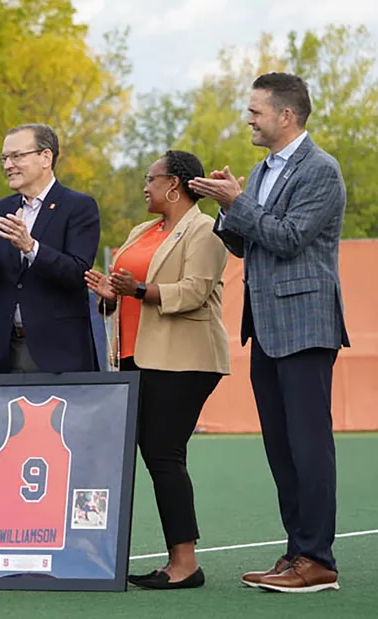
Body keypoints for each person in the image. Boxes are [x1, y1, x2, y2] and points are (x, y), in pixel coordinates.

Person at [190, 72, 349, 593]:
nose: (249, 119)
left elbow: (289, 237)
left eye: (256, 111)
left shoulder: (321, 170)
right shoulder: (261, 172)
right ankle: (297, 552)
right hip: (266, 327)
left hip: (306, 325)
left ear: (286, 115)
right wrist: (224, 204)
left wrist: (240, 203)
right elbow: (245, 244)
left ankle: (318, 560)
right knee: (281, 448)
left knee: (308, 446)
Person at [85, 150, 229, 590]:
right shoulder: (140, 231)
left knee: (164, 454)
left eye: (151, 178)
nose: (145, 186)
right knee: (148, 455)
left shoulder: (205, 230)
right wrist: (110, 293)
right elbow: (123, 295)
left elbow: (194, 292)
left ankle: (185, 563)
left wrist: (140, 288)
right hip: (136, 355)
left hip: (184, 359)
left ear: (176, 185)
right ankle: (143, 556)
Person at [0, 124, 101, 373]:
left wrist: (31, 247)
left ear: (45, 157)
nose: (7, 166)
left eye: (16, 156)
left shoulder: (79, 207)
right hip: (7, 351)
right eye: (4, 158)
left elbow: (77, 273)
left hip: (59, 353)